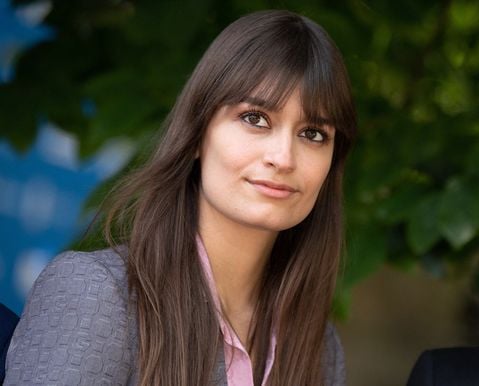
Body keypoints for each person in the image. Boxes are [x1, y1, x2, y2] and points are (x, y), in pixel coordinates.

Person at [4, 9, 357, 386]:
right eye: (255, 118)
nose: (283, 158)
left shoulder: (319, 347)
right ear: (196, 136)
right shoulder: (98, 295)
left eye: (313, 134)